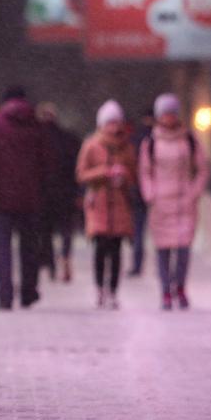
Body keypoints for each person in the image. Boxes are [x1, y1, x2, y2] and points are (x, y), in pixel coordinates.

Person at [140, 93, 211, 310]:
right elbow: (144, 171)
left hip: (184, 203)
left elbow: (202, 168)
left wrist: (194, 191)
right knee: (162, 249)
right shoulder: (150, 143)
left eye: (172, 113)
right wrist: (150, 193)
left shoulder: (189, 140)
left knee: (182, 249)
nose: (169, 118)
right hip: (160, 203)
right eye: (165, 114)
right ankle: (165, 290)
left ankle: (179, 286)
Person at [0, 87, 51, 310]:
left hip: (1, 195)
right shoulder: (37, 126)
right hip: (31, 196)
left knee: (2, 248)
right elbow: (47, 162)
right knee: (29, 247)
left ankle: (5, 295)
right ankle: (28, 292)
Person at [77, 100, 138, 309]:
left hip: (120, 204)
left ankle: (113, 290)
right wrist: (104, 172)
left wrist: (124, 174)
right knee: (100, 249)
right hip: (99, 203)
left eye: (116, 122)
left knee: (116, 251)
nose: (113, 127)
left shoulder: (127, 147)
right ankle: (99, 288)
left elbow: (135, 175)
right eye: (109, 122)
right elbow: (81, 174)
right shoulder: (91, 145)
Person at [38, 101, 83, 283]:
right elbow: (76, 168)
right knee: (66, 230)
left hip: (44, 193)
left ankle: (50, 263)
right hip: (66, 192)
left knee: (46, 231)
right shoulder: (69, 139)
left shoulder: (37, 139)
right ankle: (65, 256)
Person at [127, 107, 154, 277]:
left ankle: (138, 263)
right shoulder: (157, 138)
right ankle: (163, 265)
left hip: (138, 191)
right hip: (158, 191)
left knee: (138, 228)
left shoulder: (136, 138)